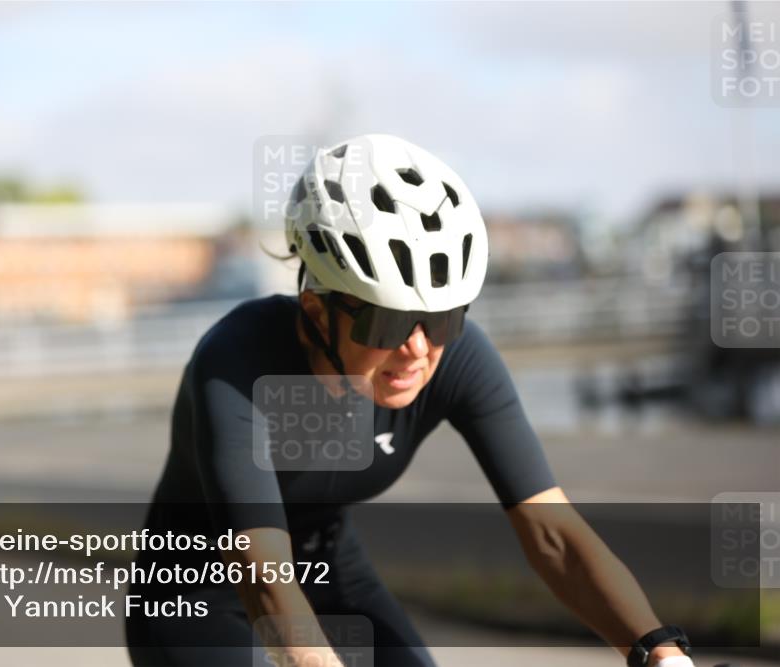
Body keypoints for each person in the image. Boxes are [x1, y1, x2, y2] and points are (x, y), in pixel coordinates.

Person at [126, 135, 696, 667]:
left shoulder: (459, 356)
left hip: (331, 571)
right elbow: (262, 571)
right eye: (387, 321)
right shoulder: (237, 361)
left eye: (443, 317)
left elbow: (554, 536)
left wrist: (660, 651)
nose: (418, 348)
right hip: (198, 590)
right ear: (317, 311)